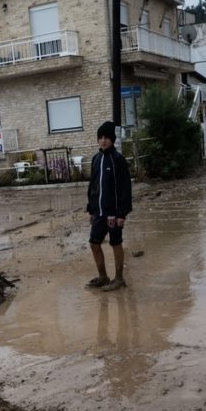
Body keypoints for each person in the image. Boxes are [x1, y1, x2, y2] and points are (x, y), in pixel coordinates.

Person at [86, 121, 133, 292]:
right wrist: (90, 209)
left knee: (115, 243)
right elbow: (93, 186)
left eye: (106, 137)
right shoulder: (96, 159)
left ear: (112, 139)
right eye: (100, 137)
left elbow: (125, 187)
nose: (103, 140)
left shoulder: (118, 160)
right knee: (94, 243)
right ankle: (103, 276)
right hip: (98, 212)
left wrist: (122, 213)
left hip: (114, 214)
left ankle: (119, 278)